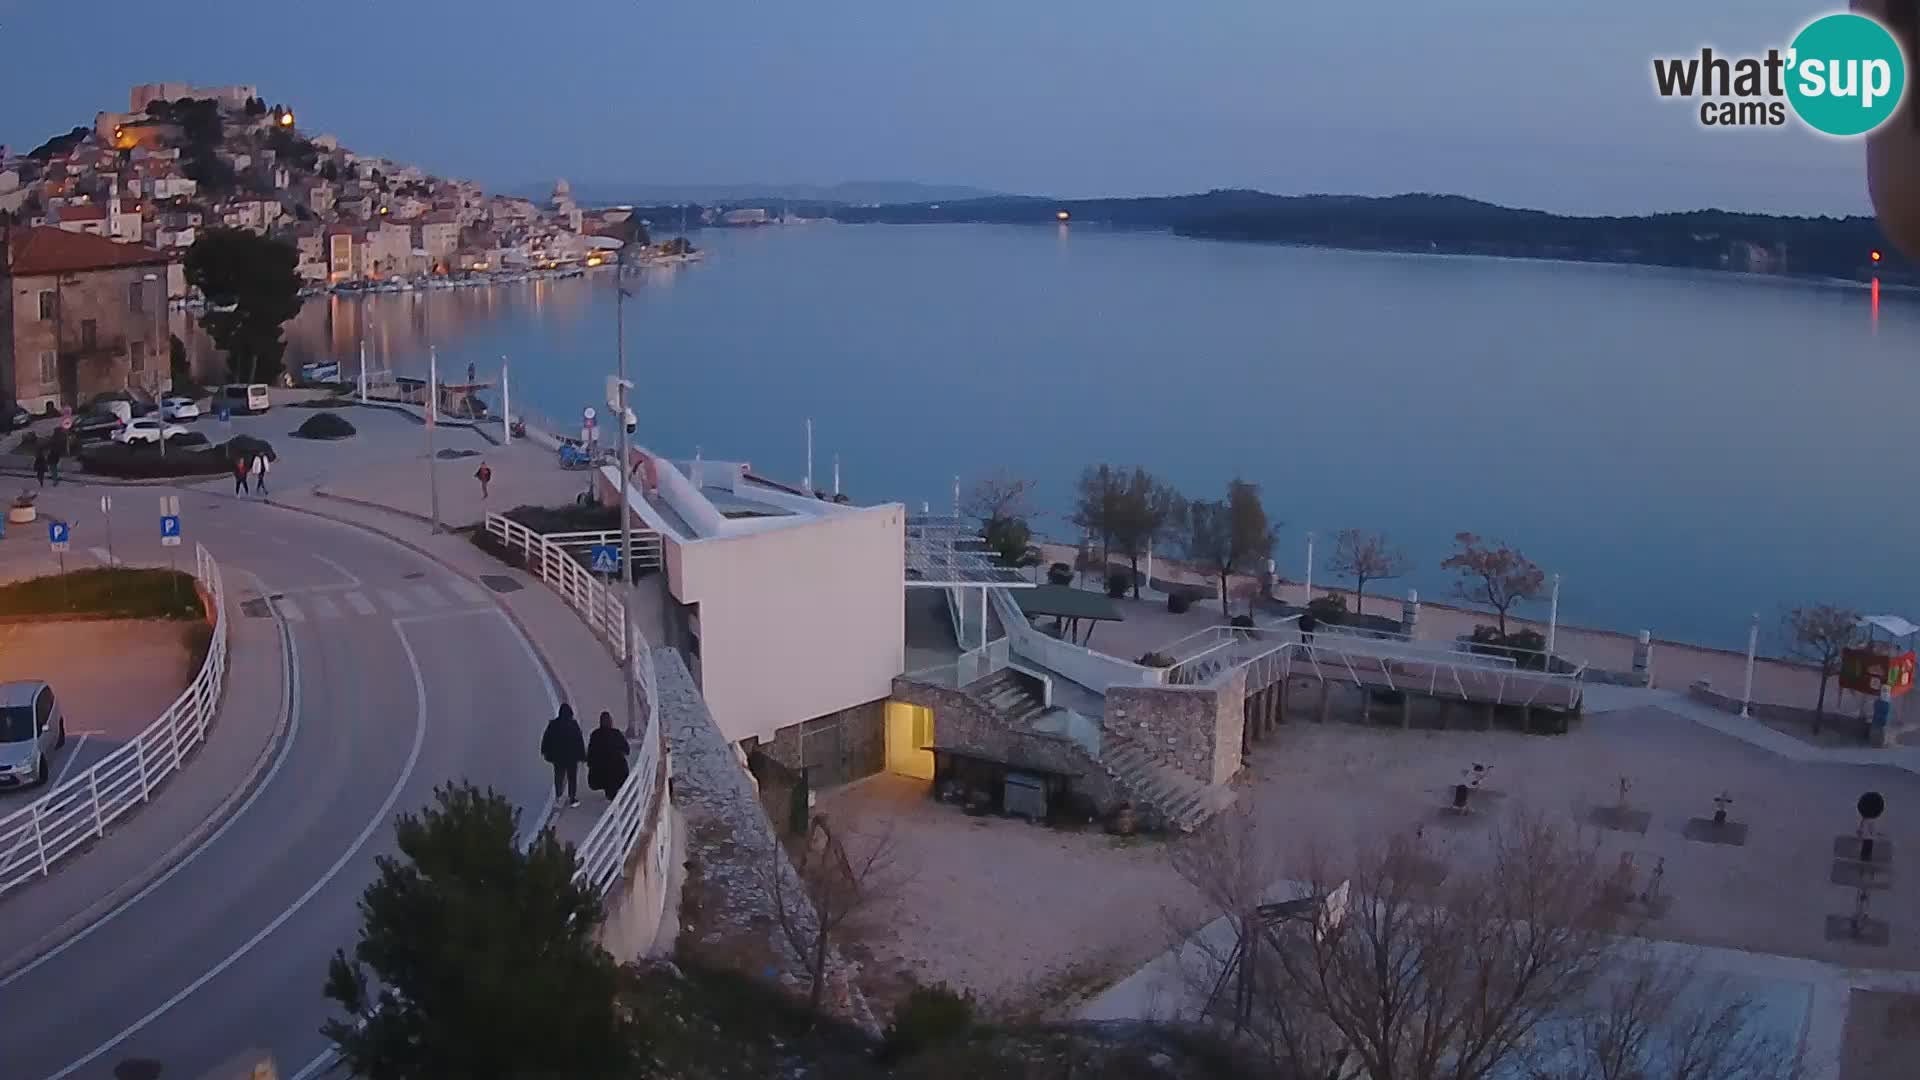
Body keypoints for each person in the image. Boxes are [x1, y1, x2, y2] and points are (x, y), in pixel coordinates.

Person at [540, 703, 586, 807]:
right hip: (571, 757)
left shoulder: (553, 725)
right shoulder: (573, 725)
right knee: (572, 778)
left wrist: (545, 751)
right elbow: (579, 740)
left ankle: (559, 796)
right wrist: (582, 755)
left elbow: (546, 739)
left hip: (558, 757)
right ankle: (572, 797)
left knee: (559, 776)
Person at [586, 710, 630, 803]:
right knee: (614, 782)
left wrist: (590, 763)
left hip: (600, 769)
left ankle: (611, 798)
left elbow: (591, 751)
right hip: (617, 767)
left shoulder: (595, 735)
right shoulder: (616, 734)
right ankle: (613, 801)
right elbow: (626, 748)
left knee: (608, 783)